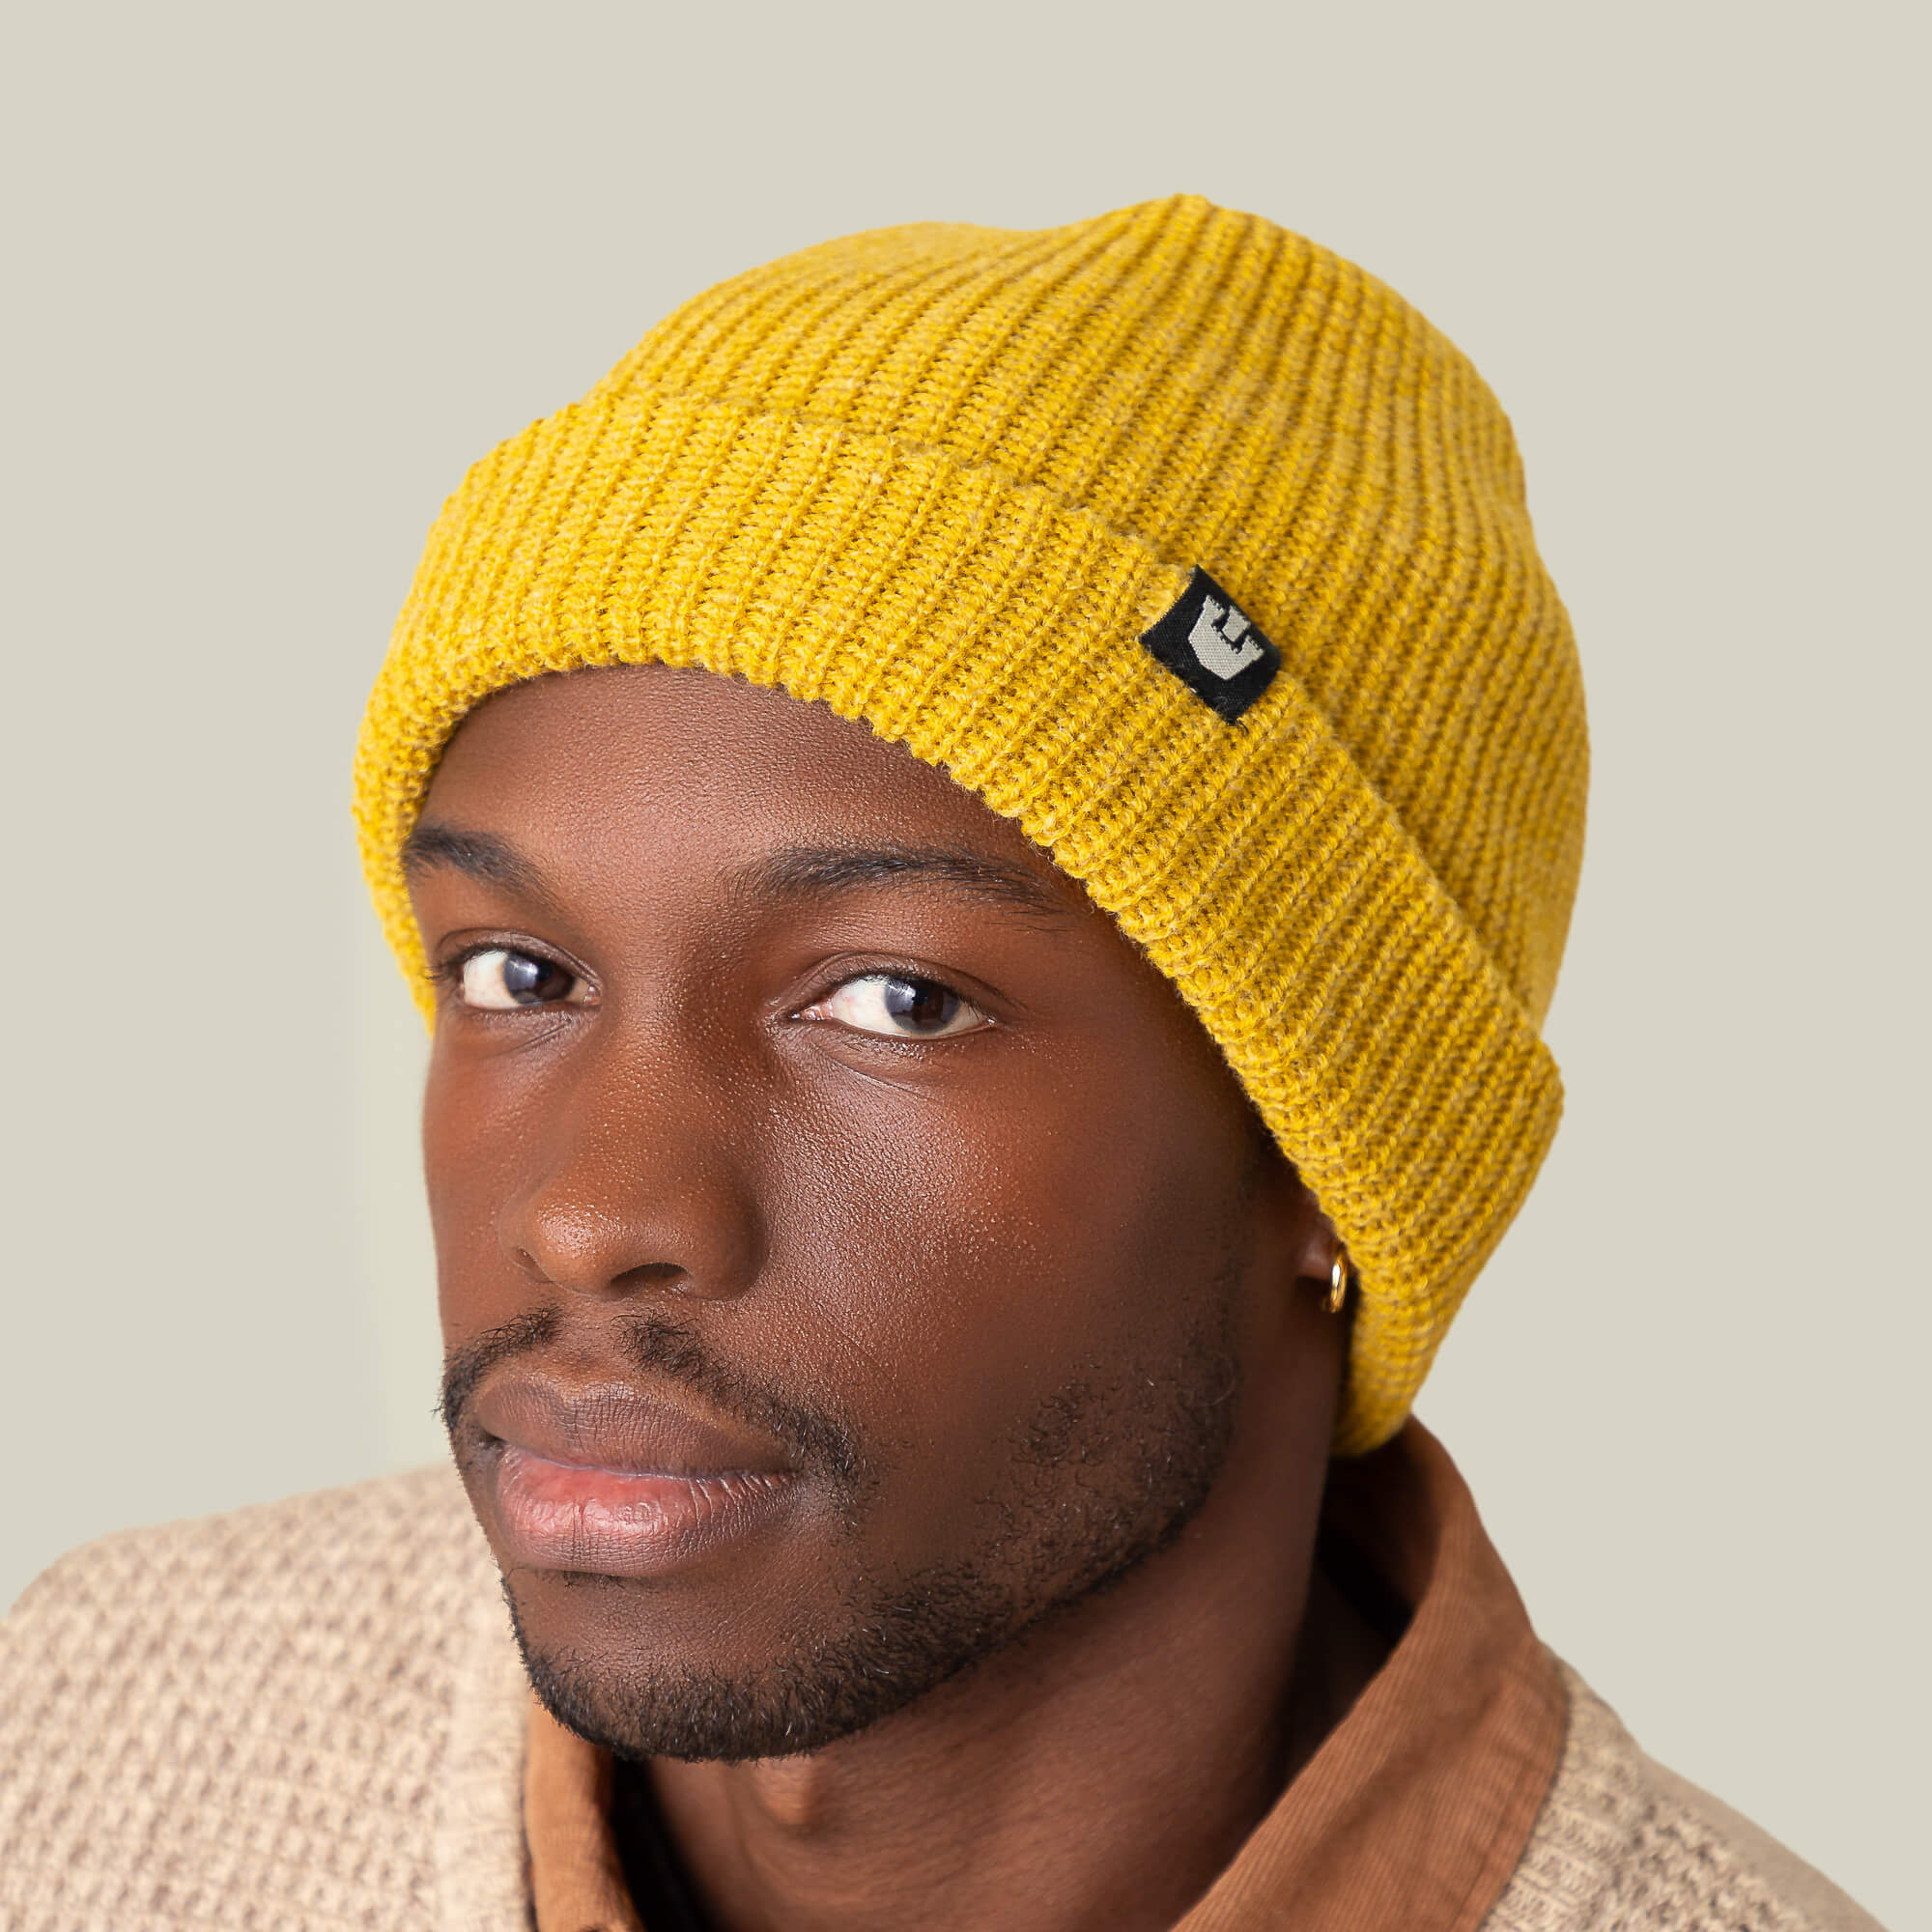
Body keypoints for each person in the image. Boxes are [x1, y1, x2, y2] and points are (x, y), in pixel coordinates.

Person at [0, 195, 1886, 1932]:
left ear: (1329, 1148)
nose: (590, 1213)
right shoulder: (85, 1740)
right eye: (518, 969)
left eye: (893, 1001)